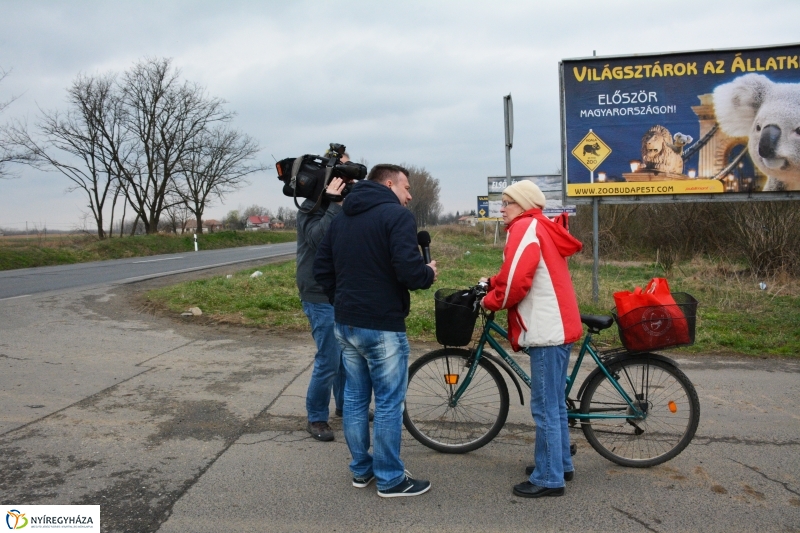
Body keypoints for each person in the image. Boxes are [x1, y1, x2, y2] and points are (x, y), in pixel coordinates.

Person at [314, 164, 437, 497]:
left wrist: (340, 300)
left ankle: (362, 471)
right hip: (382, 326)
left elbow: (321, 267)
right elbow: (410, 272)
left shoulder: (342, 218)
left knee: (354, 401)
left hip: (346, 322)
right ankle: (390, 479)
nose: (410, 195)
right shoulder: (396, 217)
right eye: (406, 187)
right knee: (387, 403)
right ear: (388, 183)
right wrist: (428, 272)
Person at [479, 180, 583, 499]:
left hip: (546, 329)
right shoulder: (539, 226)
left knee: (545, 407)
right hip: (558, 324)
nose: (502, 208)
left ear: (523, 205)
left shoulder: (524, 228)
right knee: (554, 404)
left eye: (507, 203)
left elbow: (517, 283)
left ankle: (549, 477)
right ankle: (559, 463)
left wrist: (490, 300)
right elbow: (516, 272)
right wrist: (493, 281)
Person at [296, 150, 350, 442]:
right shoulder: (309, 206)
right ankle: (316, 417)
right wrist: (332, 203)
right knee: (329, 357)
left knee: (344, 355)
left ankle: (344, 405)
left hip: (339, 289)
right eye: (341, 170)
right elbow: (318, 239)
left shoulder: (341, 203)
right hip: (317, 292)